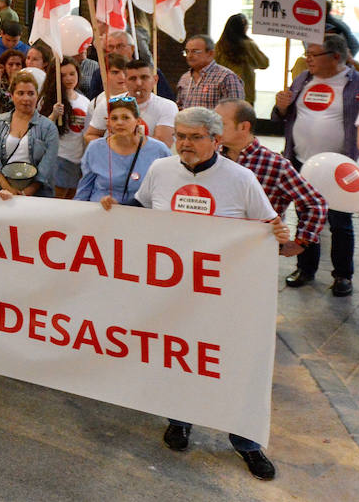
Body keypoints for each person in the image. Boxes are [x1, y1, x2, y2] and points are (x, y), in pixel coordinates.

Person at [101, 107, 290, 481]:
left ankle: (246, 442)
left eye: (194, 137)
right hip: (171, 293)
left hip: (224, 296)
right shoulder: (160, 170)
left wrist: (279, 236)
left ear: (216, 140)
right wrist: (114, 211)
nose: (184, 144)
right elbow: (139, 213)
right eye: (180, 136)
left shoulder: (241, 179)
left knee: (233, 365)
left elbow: (267, 225)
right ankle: (179, 421)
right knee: (178, 357)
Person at [275, 33, 359, 296]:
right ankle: (306, 268)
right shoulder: (303, 79)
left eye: (313, 55)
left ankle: (343, 276)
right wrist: (281, 107)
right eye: (307, 55)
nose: (308, 60)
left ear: (336, 57)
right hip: (301, 162)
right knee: (306, 217)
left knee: (340, 222)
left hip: (340, 168)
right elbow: (283, 116)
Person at [216, 98, 326, 256]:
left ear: (244, 126)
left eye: (221, 123)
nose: (213, 128)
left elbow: (315, 204)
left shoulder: (276, 165)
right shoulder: (212, 158)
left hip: (257, 252)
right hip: (215, 246)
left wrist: (302, 242)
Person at [74, 96, 170, 205]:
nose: (119, 122)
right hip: (103, 212)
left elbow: (166, 190)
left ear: (138, 121)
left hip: (140, 214)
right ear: (108, 122)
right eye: (114, 118)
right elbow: (84, 189)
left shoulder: (159, 150)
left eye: (125, 118)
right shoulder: (95, 148)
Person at [0, 71, 59, 198]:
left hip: (38, 194)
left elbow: (48, 165)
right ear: (12, 96)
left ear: (37, 96)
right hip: (1, 191)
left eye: (31, 93)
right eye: (20, 93)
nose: (26, 98)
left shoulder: (48, 127)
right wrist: (8, 189)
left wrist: (26, 193)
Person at [88, 59, 177, 148]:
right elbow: (91, 135)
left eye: (144, 77)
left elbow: (163, 143)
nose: (138, 83)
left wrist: (124, 146)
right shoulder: (109, 104)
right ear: (125, 81)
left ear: (155, 80)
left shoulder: (167, 106)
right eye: (133, 79)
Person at [42, 58, 91, 199]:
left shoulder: (85, 101)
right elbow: (39, 130)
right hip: (59, 157)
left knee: (72, 200)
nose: (69, 78)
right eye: (63, 75)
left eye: (72, 74)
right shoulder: (48, 99)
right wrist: (53, 115)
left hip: (78, 160)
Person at [177, 33, 245, 109]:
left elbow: (235, 111)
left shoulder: (226, 77)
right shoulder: (185, 78)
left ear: (210, 53)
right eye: (187, 51)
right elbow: (179, 106)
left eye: (195, 51)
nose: (189, 56)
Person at [214, 14, 268, 105]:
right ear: (243, 28)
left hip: (222, 95)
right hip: (245, 94)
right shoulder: (249, 45)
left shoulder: (219, 46)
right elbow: (264, 63)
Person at [0, 49, 26, 114]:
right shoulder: (1, 82)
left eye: (18, 64)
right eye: (10, 64)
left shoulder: (27, 82)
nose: (14, 68)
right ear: (4, 66)